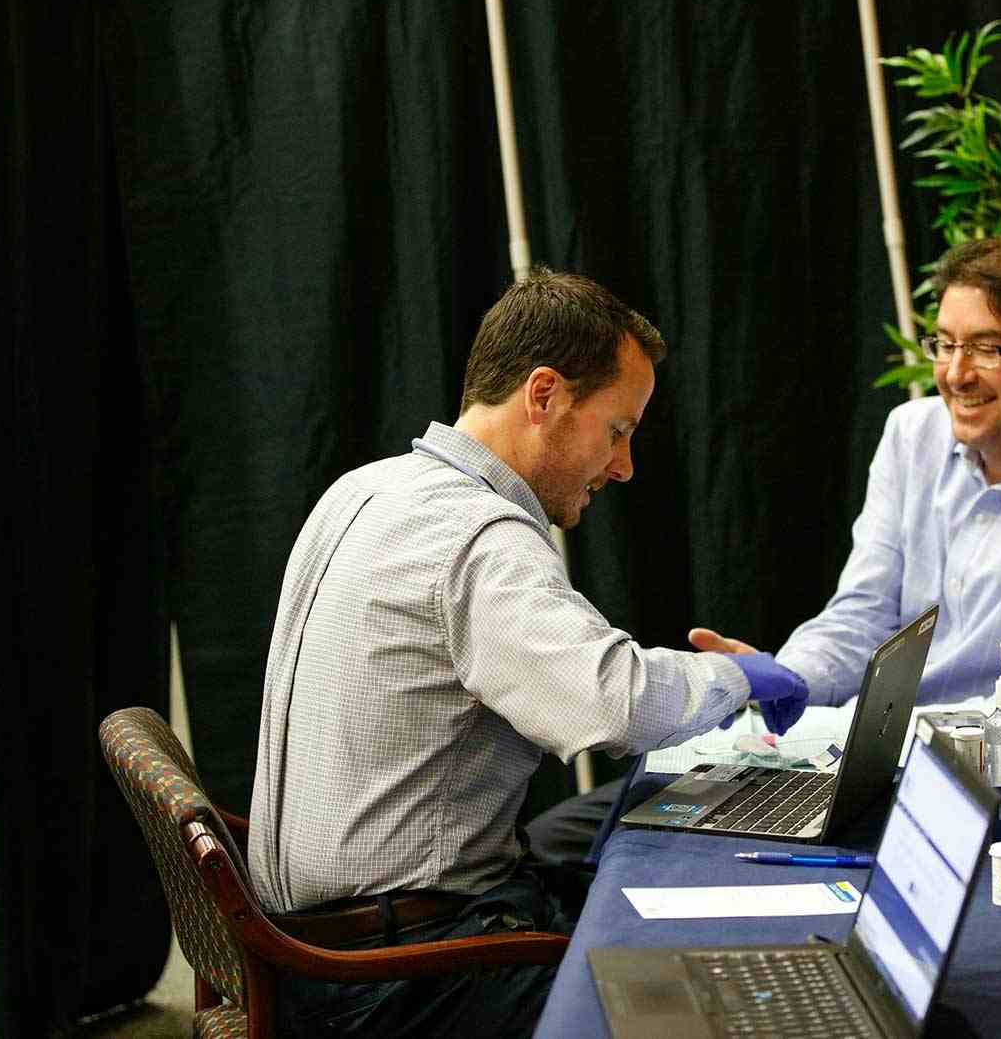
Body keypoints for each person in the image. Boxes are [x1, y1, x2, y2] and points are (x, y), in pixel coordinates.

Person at [247, 267, 808, 1038]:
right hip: (393, 978)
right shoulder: (478, 537)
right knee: (719, 1001)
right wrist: (738, 675)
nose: (624, 466)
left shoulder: (364, 488)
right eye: (618, 430)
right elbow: (615, 701)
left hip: (317, 949)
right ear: (544, 395)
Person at [527, 233, 1001, 859]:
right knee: (575, 837)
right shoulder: (912, 434)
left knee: (654, 860)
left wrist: (851, 734)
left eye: (986, 349)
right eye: (943, 343)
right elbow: (860, 616)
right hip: (855, 761)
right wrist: (781, 681)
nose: (953, 373)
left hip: (973, 805)